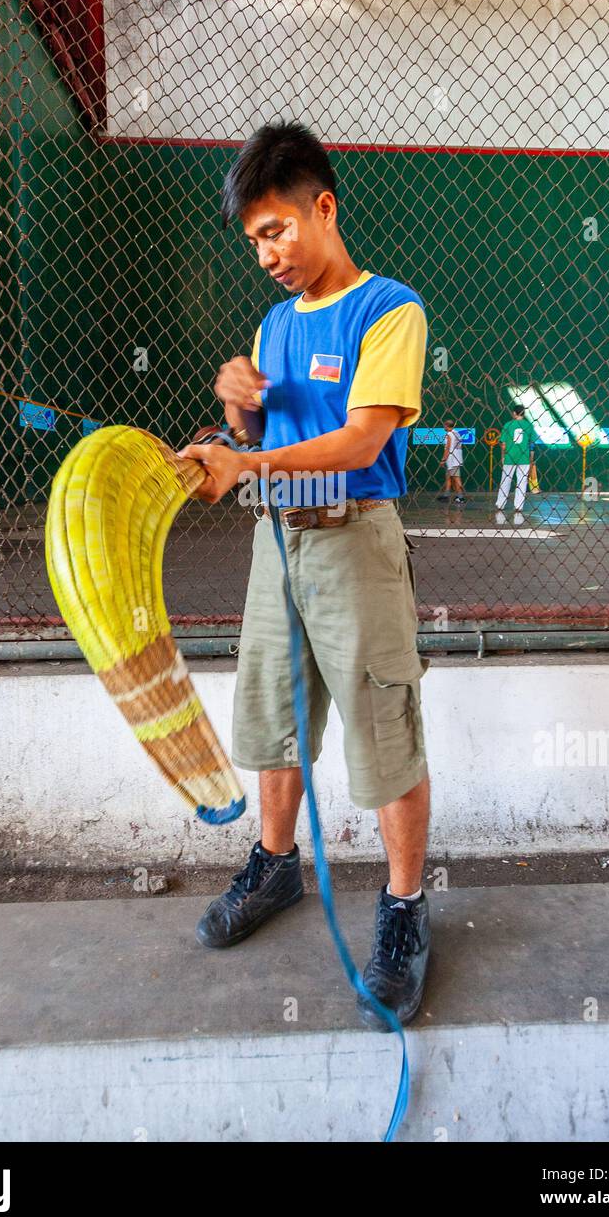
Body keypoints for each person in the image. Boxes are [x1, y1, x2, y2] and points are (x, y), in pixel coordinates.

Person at [177, 118, 431, 1030]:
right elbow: (262, 441)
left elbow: (365, 438)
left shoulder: (390, 309)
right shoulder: (275, 325)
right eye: (253, 241)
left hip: (357, 538)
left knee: (380, 722)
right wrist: (237, 412)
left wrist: (248, 464)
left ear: (323, 207)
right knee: (271, 715)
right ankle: (276, 863)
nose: (266, 255)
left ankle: (403, 908)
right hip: (275, 544)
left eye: (276, 230)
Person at [495, 403, 538, 523]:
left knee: (505, 481)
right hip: (524, 458)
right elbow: (532, 444)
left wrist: (502, 457)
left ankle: (500, 504)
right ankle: (518, 506)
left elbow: (503, 444)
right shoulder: (528, 426)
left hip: (509, 457)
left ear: (514, 413)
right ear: (523, 414)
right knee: (522, 482)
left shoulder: (508, 425)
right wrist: (531, 458)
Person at [441, 421, 465, 503]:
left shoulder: (449, 435)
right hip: (455, 459)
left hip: (453, 460)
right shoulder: (456, 433)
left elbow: (447, 448)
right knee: (448, 477)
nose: (443, 426)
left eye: (444, 425)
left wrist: (443, 460)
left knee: (456, 478)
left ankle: (461, 497)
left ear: (446, 425)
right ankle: (446, 496)